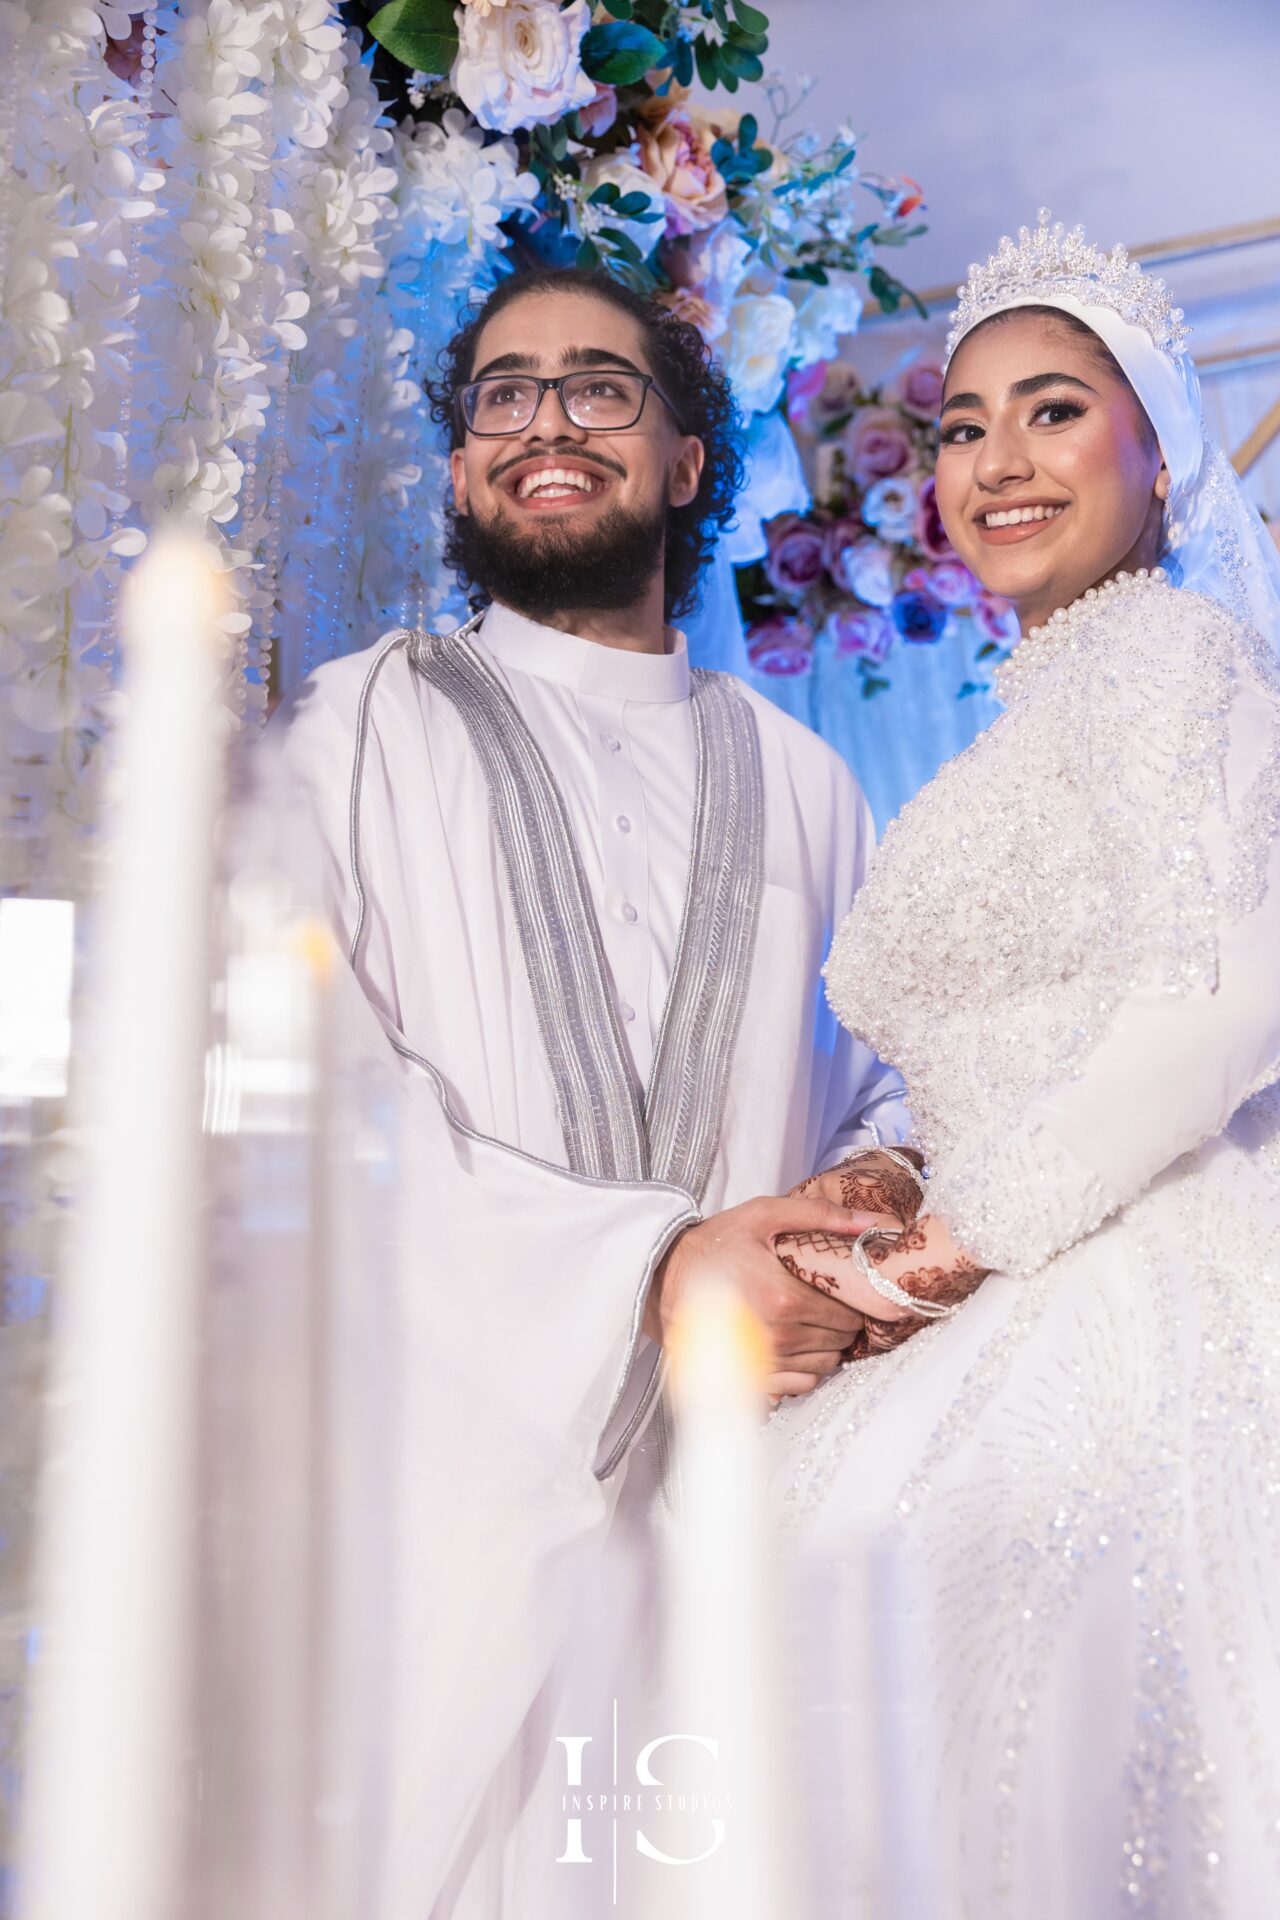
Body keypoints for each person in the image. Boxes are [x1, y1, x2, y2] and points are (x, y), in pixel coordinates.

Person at [274, 265, 907, 1916]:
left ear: (692, 459)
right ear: (462, 456)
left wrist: (871, 1207)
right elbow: (303, 1101)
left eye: (601, 387)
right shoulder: (355, 732)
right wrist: (645, 1273)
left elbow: (888, 1089)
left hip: (753, 1524)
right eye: (503, 392)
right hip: (450, 1525)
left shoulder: (808, 781)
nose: (546, 422)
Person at [766, 214, 1280, 1918]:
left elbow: (1211, 1010)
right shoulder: (1043, 699)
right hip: (1022, 1245)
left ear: (1156, 446)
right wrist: (901, 1164)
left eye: (1054, 411)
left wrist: (946, 1241)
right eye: (963, 424)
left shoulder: (1165, 652)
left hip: (1128, 1262)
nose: (997, 460)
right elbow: (1036, 1008)